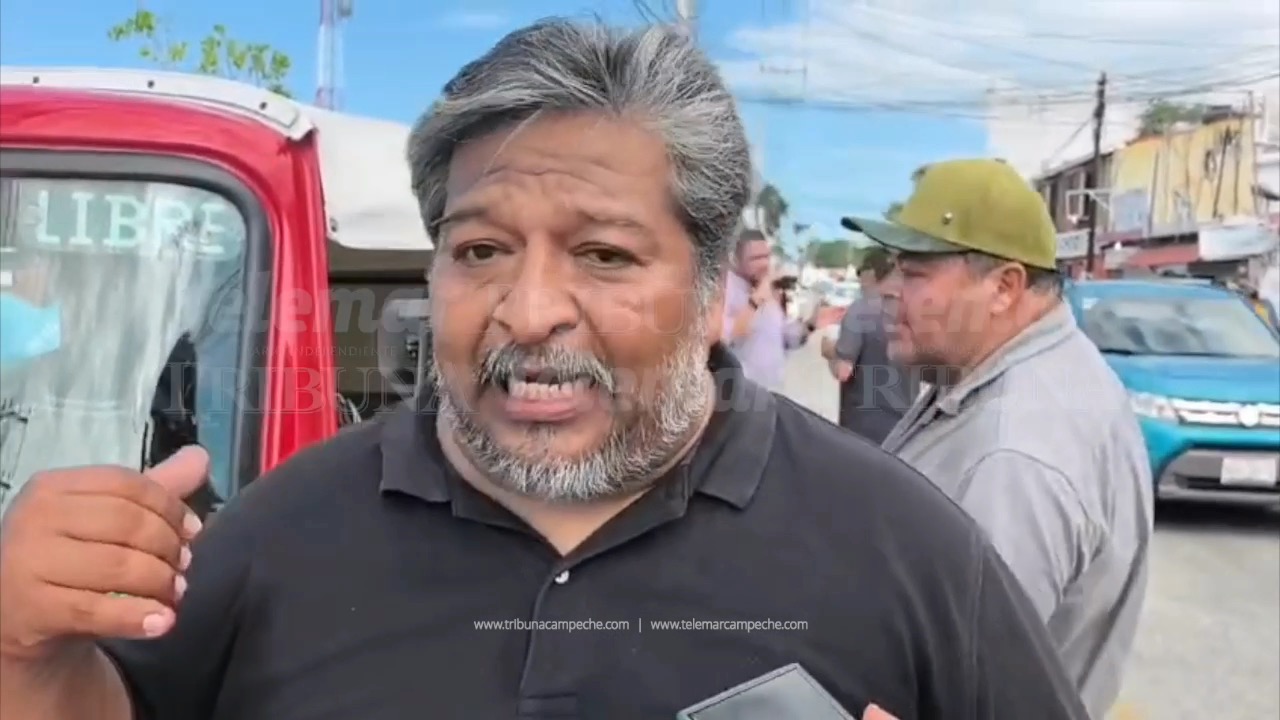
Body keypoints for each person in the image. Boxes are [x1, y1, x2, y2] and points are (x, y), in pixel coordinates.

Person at [0, 21, 1089, 720]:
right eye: (480, 251)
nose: (526, 312)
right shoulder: (275, 536)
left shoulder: (909, 556)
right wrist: (25, 650)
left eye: (603, 256)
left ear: (711, 284)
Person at [842, 158, 1153, 719]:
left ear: (1004, 288)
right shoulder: (1006, 373)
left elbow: (957, 685)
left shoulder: (1014, 456)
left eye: (914, 274)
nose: (889, 292)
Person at [822, 249, 917, 443]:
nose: (860, 283)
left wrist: (830, 352)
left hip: (862, 429)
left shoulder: (860, 309)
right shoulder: (913, 311)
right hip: (904, 427)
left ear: (871, 274)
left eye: (860, 275)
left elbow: (843, 371)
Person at [720, 229, 812, 390]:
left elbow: (785, 337)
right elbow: (723, 337)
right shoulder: (725, 289)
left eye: (766, 257)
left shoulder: (769, 290)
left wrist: (812, 324)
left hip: (772, 390)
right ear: (735, 260)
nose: (764, 264)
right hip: (739, 393)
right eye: (755, 258)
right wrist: (756, 301)